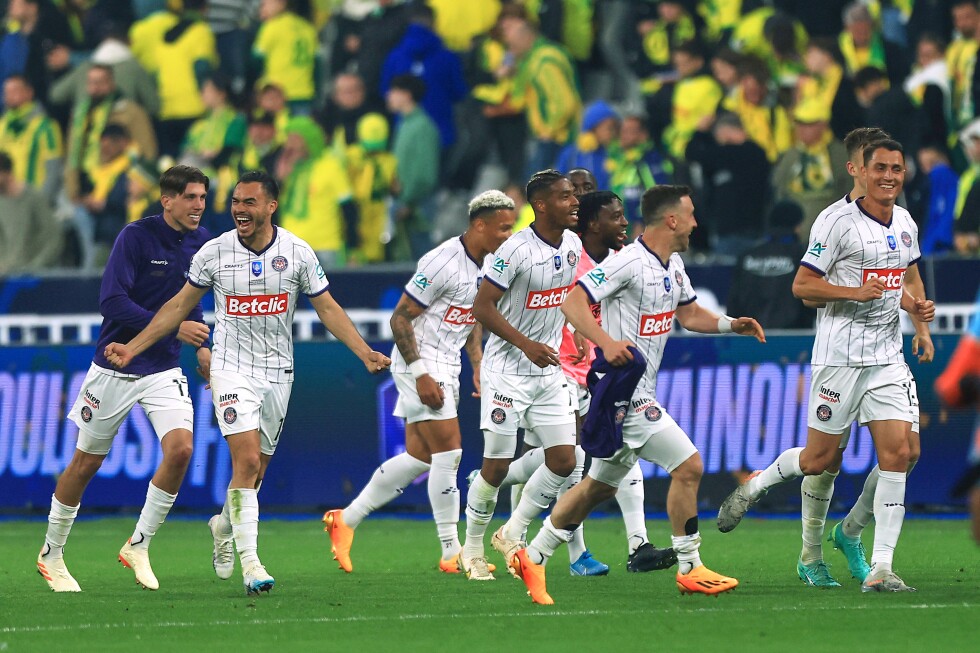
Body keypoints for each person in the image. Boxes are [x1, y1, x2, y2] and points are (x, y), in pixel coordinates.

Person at [103, 171, 391, 595]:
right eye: (236, 201)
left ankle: (223, 525)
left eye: (249, 202)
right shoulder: (213, 252)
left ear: (271, 206)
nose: (239, 208)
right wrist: (134, 346)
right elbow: (177, 307)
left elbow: (327, 308)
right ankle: (252, 565)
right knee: (249, 461)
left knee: (256, 472)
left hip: (278, 372)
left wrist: (363, 351)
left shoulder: (297, 252)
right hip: (231, 368)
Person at [507, 184, 765, 604]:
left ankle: (533, 555)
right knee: (689, 466)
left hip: (640, 389)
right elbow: (572, 303)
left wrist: (729, 324)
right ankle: (690, 566)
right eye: (691, 214)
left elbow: (689, 313)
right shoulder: (628, 263)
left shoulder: (672, 263)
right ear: (671, 219)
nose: (697, 223)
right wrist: (606, 343)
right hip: (623, 392)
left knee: (598, 487)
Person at [717, 139, 934, 593]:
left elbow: (907, 277)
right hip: (839, 358)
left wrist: (920, 320)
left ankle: (879, 566)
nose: (890, 176)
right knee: (820, 460)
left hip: (886, 358)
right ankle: (765, 496)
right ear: (858, 170)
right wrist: (854, 293)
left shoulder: (906, 221)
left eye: (897, 168)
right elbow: (803, 286)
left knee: (901, 454)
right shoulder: (835, 222)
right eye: (881, 168)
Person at [36, 165, 213, 592]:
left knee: (181, 449)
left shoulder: (203, 243)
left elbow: (190, 301)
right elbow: (111, 301)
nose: (199, 206)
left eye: (203, 198)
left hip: (164, 367)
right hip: (115, 365)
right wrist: (172, 327)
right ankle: (51, 553)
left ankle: (139, 544)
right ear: (166, 199)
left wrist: (203, 345)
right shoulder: (135, 237)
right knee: (86, 463)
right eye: (190, 197)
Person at [323, 190, 516, 577]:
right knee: (450, 453)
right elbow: (399, 319)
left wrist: (476, 363)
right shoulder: (442, 261)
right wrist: (420, 372)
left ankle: (345, 519)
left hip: (449, 363)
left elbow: (474, 314)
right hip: (422, 362)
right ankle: (452, 550)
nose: (509, 235)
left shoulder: (492, 261)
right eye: (503, 228)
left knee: (420, 457)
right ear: (480, 225)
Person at [460, 169, 581, 579]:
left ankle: (511, 531)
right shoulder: (515, 251)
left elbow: (561, 299)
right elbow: (482, 307)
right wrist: (525, 344)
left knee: (566, 461)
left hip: (547, 370)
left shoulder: (573, 244)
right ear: (542, 205)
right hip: (507, 372)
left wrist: (573, 330)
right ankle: (472, 549)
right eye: (565, 196)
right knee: (495, 468)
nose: (575, 202)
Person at [726, 200, 816, 330]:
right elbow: (809, 301)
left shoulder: (746, 256)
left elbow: (733, 303)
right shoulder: (803, 255)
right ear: (797, 226)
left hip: (750, 339)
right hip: (792, 340)